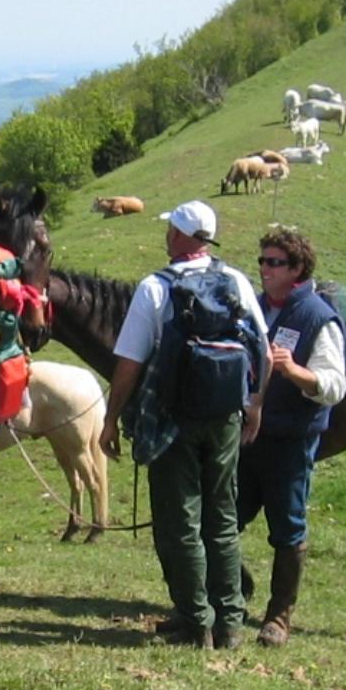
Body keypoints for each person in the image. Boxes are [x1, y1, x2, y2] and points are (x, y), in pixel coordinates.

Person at [99, 200, 269, 650]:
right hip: (227, 419)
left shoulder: (156, 288)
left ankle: (197, 623)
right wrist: (254, 404)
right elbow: (264, 350)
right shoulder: (235, 280)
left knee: (181, 522)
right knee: (223, 518)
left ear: (178, 236)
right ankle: (230, 623)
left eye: (171, 228)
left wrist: (111, 418)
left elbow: (130, 363)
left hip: (173, 421)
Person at [239, 225, 346, 646]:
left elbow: (335, 386)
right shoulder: (254, 307)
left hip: (290, 440)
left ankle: (278, 619)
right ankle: (229, 596)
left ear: (298, 269)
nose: (264, 269)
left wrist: (294, 370)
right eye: (262, 261)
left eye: (274, 262)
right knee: (225, 516)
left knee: (287, 526)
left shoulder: (318, 318)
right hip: (247, 436)